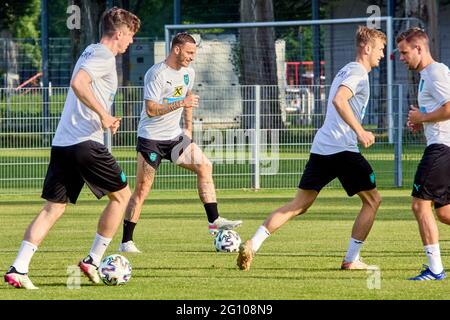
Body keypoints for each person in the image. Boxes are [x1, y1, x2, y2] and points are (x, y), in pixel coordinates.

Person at [4, 7, 140, 289]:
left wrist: (103, 117)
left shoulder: (90, 50)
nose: (131, 42)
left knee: (53, 208)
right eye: (130, 36)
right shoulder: (103, 55)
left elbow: (83, 87)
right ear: (119, 33)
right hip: (84, 144)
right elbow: (78, 84)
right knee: (123, 196)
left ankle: (19, 267)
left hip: (64, 143)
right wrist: (103, 115)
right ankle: (93, 260)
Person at [237, 26, 385, 271]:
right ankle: (352, 259)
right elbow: (339, 100)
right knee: (373, 201)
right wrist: (360, 131)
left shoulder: (346, 69)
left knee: (299, 205)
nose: (382, 54)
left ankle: (253, 243)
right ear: (367, 48)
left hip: (323, 147)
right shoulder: (358, 72)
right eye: (380, 49)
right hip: (343, 149)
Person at [118, 32, 242, 253]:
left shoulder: (188, 73)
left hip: (175, 137)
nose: (192, 57)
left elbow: (189, 101)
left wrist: (188, 131)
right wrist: (181, 103)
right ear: (176, 49)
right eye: (189, 52)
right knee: (142, 190)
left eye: (194, 53)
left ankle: (214, 221)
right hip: (151, 140)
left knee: (205, 165)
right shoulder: (156, 74)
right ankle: (126, 241)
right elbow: (151, 109)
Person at [398, 27, 450, 281]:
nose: (401, 57)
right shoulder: (427, 75)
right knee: (445, 212)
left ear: (419, 48)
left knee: (420, 204)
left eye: (404, 52)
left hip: (442, 148)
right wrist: (422, 121)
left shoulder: (435, 72)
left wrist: (423, 116)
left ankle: (435, 270)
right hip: (443, 146)